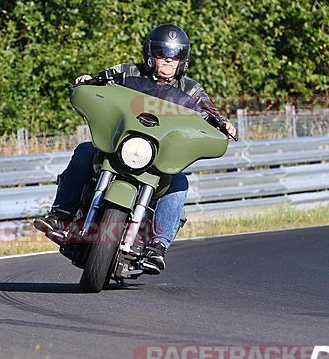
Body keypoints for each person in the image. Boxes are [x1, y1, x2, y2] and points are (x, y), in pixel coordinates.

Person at [34, 23, 237, 273]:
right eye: (162, 55)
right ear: (150, 55)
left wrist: (224, 124)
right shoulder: (128, 72)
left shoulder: (191, 90)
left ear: (183, 60)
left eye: (175, 57)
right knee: (85, 150)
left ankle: (157, 247)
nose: (168, 62)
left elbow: (211, 114)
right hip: (120, 148)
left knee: (179, 181)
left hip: (158, 158)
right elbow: (101, 80)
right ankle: (60, 216)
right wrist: (88, 81)